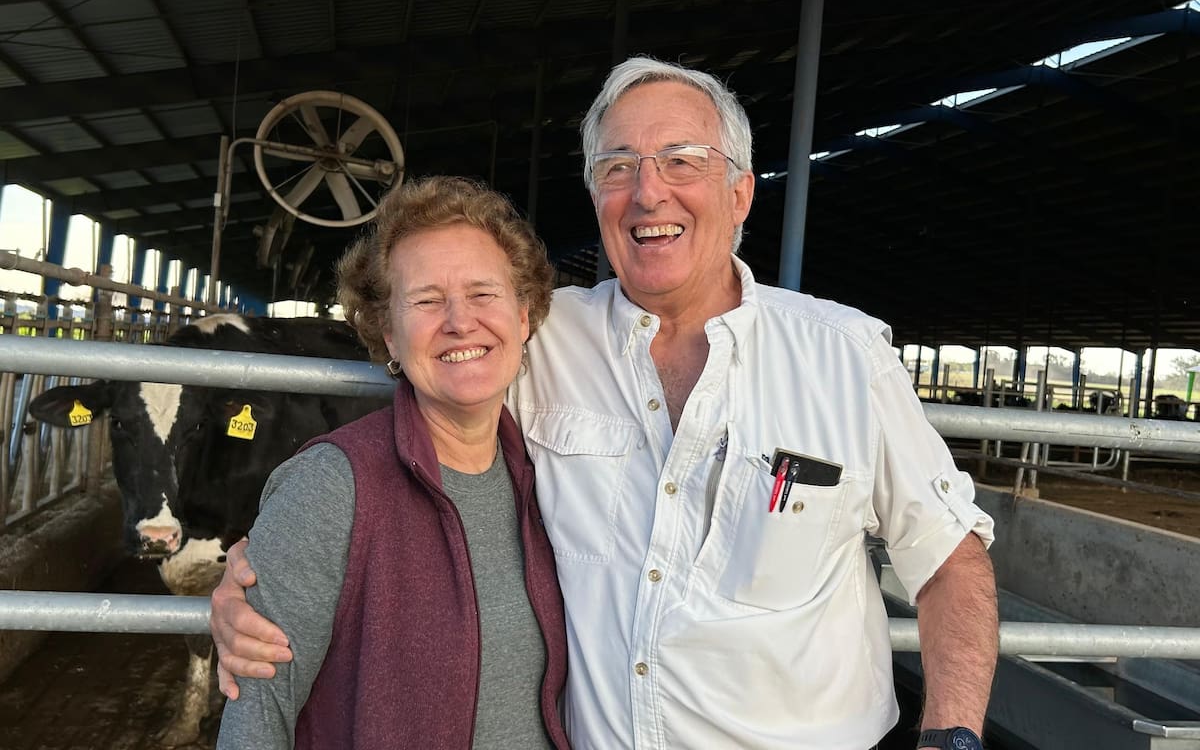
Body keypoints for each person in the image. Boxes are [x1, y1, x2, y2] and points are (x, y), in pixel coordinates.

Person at [213, 57, 998, 750]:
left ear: (741, 192)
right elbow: (433, 403)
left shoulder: (845, 356)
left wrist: (952, 734)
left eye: (681, 159)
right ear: (594, 197)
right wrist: (265, 577)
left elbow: (950, 561)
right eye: (616, 166)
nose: (647, 190)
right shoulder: (543, 338)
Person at [214, 176, 570, 749]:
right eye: (426, 300)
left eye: (484, 293)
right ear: (389, 335)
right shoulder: (330, 486)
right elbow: (258, 716)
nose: (459, 321)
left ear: (523, 317)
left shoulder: (551, 475)